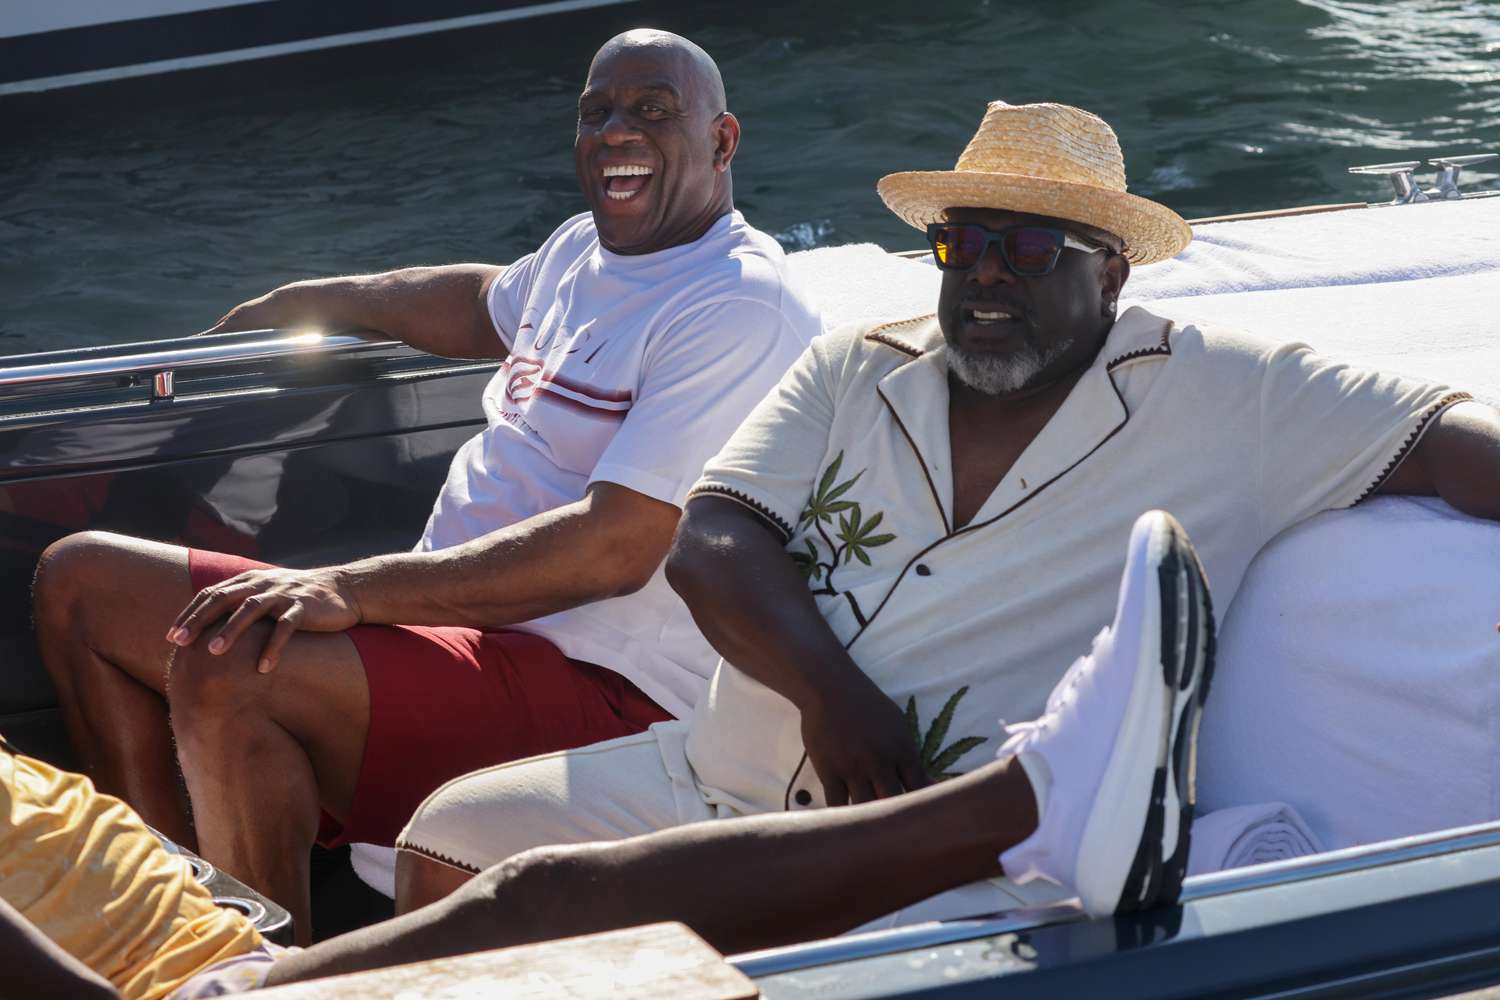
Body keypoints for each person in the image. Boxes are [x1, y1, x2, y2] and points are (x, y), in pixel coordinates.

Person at [392, 101, 1500, 922]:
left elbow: (1456, 447)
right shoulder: (849, 369)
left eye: (1025, 248)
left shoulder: (1229, 392)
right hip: (711, 771)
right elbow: (713, 539)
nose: (983, 277)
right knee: (444, 842)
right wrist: (836, 703)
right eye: (960, 243)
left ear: (1110, 274)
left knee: (538, 908)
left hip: (935, 839)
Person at [28, 29, 821, 941]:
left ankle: (263, 968)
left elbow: (614, 549)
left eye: (651, 111)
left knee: (230, 653)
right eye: (595, 111)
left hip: (604, 682)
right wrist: (320, 299)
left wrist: (348, 589)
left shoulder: (737, 304)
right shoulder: (581, 253)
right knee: (82, 584)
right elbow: (480, 300)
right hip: (471, 633)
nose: (614, 131)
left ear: (722, 142)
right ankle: (168, 942)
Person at [0, 507, 1215, 996]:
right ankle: (1033, 800)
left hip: (220, 940)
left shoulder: (668, 282)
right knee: (541, 901)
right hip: (195, 985)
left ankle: (1033, 797)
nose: (613, 133)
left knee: (539, 901)